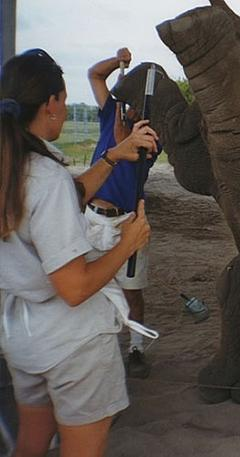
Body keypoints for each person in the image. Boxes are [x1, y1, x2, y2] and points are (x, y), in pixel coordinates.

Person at [0, 49, 158, 456]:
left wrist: (111, 157)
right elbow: (74, 287)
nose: (67, 109)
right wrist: (127, 244)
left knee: (32, 440)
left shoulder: (13, 166)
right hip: (72, 346)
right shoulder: (46, 177)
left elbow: (68, 192)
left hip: (24, 335)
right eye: (65, 100)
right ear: (50, 104)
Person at [86, 48, 159, 378]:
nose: (129, 107)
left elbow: (120, 142)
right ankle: (95, 346)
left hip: (126, 222)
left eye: (134, 104)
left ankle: (136, 349)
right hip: (92, 217)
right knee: (88, 284)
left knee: (132, 290)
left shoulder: (148, 139)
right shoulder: (111, 112)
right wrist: (119, 63)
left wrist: (119, 107)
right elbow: (94, 74)